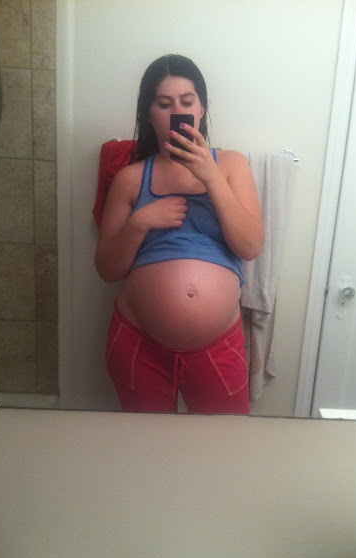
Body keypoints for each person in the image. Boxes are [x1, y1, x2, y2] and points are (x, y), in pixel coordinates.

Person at [95, 54, 264, 414]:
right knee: (147, 446)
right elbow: (107, 269)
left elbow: (250, 246)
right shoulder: (130, 178)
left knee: (226, 443)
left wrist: (211, 177)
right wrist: (140, 222)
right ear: (148, 113)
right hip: (138, 343)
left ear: (202, 109)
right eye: (164, 104)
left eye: (187, 102)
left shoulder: (231, 165)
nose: (177, 112)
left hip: (218, 346)